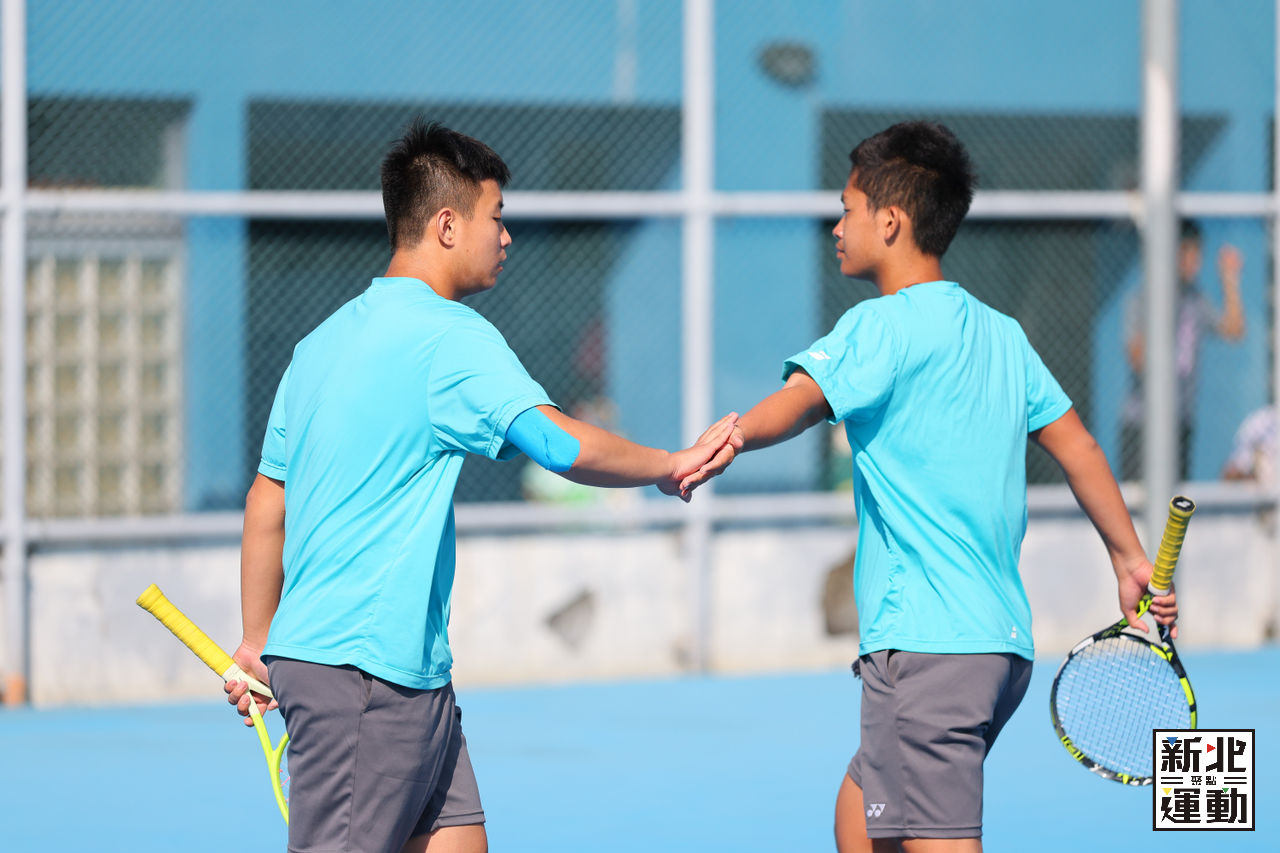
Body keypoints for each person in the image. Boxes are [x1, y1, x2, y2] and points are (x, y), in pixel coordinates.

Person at [224, 119, 738, 853]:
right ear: (446, 225)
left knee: (461, 839)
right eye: (496, 216)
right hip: (363, 677)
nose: (505, 235)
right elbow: (560, 444)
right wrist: (670, 463)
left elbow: (265, 501)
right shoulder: (451, 336)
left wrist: (257, 638)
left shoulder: (318, 345)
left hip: (403, 674)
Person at [681, 121, 1178, 852]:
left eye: (846, 210)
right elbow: (1082, 447)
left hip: (928, 651)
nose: (836, 228)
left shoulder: (877, 326)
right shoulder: (1004, 335)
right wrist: (1129, 557)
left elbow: (804, 398)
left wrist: (732, 436)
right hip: (998, 650)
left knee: (934, 837)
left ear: (890, 221)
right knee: (861, 811)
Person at [1121, 220, 1245, 481]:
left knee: (1175, 500)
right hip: (1143, 422)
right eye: (1186, 252)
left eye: (1197, 253)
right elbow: (1137, 359)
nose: (1193, 261)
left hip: (1180, 420)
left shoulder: (1196, 299)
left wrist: (1229, 279)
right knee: (1138, 499)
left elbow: (1233, 330)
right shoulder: (1144, 297)